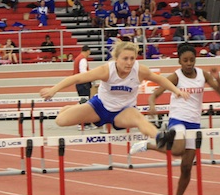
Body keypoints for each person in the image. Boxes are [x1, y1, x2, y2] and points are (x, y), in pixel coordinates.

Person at [129, 43, 220, 195]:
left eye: (192, 60)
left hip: (194, 122)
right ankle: (149, 144)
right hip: (178, 119)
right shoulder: (176, 77)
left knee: (187, 166)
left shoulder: (203, 75)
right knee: (178, 150)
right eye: (185, 60)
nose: (189, 63)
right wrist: (152, 105)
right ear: (180, 61)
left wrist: (217, 78)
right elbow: (155, 94)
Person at [40, 41, 189, 145]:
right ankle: (70, 108)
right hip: (100, 107)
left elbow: (160, 80)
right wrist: (53, 90)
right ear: (116, 58)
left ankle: (160, 137)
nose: (129, 62)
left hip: (123, 111)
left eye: (132, 58)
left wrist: (177, 91)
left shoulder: (140, 70)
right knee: (61, 120)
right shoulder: (106, 70)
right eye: (125, 58)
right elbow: (77, 77)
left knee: (138, 118)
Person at [70, 45, 97, 130]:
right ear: (88, 51)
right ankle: (84, 124)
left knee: (83, 103)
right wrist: (92, 78)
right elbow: (83, 72)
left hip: (80, 84)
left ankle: (83, 123)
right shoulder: (82, 59)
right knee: (85, 104)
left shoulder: (78, 58)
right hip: (83, 84)